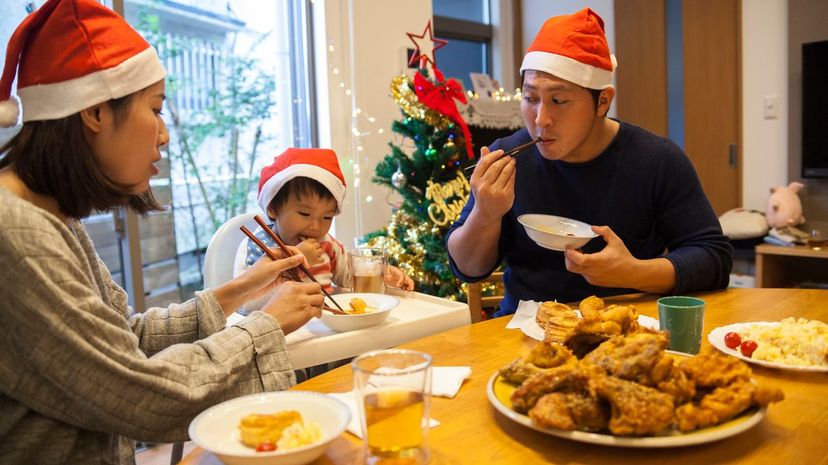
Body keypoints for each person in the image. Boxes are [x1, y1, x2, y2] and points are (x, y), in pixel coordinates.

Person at [0, 0, 324, 462]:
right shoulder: (17, 235)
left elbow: (122, 337)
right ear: (94, 112)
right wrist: (264, 326)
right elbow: (136, 393)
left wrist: (237, 291)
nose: (165, 134)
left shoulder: (51, 216)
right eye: (155, 108)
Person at [446, 8, 732, 317]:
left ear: (603, 102)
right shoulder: (509, 157)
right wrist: (485, 214)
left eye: (559, 101)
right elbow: (467, 269)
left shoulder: (656, 159)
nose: (541, 119)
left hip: (624, 333)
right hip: (521, 333)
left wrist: (634, 272)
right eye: (530, 99)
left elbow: (713, 258)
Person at [236, 148, 414, 312]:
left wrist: (381, 273)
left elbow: (349, 276)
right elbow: (246, 303)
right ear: (273, 208)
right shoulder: (256, 247)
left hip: (325, 327)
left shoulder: (326, 244)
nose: (316, 226)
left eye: (327, 217)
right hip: (279, 333)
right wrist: (297, 264)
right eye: (304, 213)